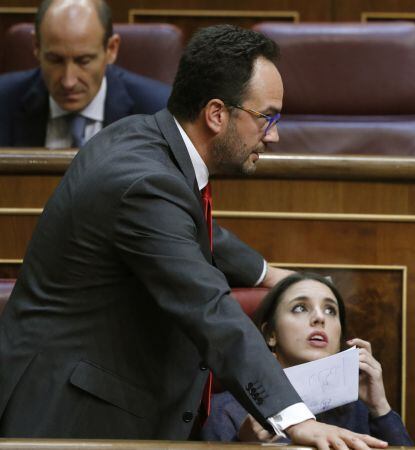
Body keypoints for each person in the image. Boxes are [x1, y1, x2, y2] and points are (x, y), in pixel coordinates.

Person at [0, 24, 388, 449]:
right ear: (217, 114)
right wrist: (295, 419)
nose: (273, 135)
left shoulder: (142, 138)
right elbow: (209, 308)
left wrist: (268, 273)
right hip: (68, 417)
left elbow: (196, 232)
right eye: (267, 117)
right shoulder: (145, 183)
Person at [201, 272, 413, 445]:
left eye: (330, 310)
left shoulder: (357, 407)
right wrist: (244, 444)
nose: (320, 318)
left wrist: (380, 408)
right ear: (270, 335)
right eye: (300, 308)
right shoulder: (227, 409)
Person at [0, 0, 170, 148]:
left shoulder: (159, 112)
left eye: (83, 61)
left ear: (111, 49)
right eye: (55, 60)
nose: (68, 82)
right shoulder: (4, 101)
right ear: (36, 47)